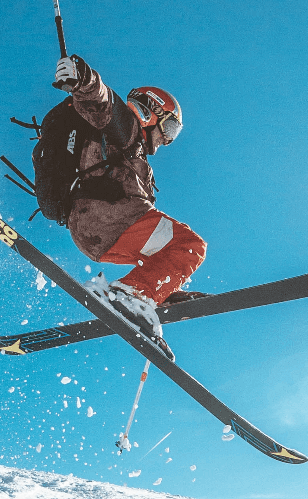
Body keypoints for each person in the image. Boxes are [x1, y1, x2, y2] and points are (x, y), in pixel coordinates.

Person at [55, 54, 206, 359]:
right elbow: (101, 101)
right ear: (151, 111)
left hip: (94, 231)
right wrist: (83, 78)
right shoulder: (125, 126)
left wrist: (167, 288)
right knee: (190, 245)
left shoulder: (134, 152)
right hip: (110, 217)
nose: (166, 140)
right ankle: (130, 294)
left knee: (163, 252)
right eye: (170, 128)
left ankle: (151, 293)